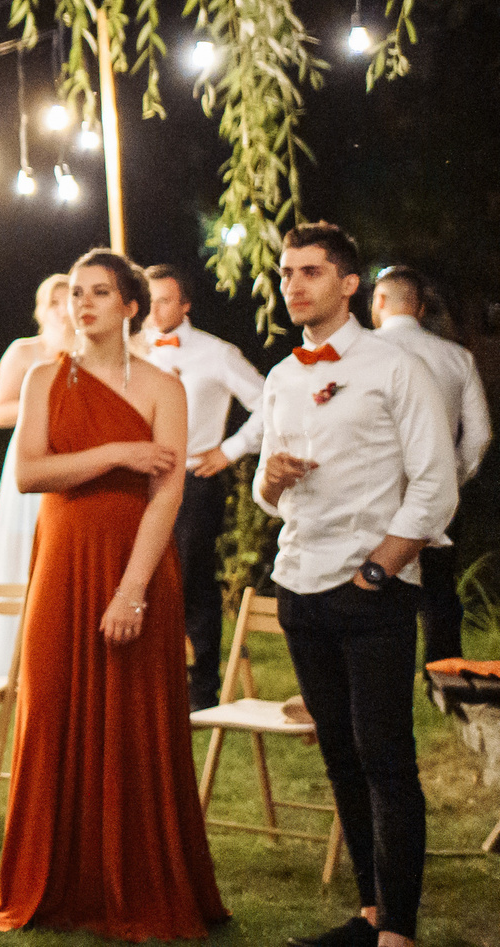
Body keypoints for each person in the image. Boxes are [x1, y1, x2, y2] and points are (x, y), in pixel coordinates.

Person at [0, 248, 225, 940]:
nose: (81, 304)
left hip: (137, 562)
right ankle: (55, 882)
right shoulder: (40, 378)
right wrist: (116, 453)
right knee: (53, 708)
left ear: (130, 306)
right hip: (62, 560)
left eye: (99, 293)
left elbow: (170, 490)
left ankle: (136, 881)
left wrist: (132, 590)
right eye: (75, 293)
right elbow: (30, 472)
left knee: (134, 718)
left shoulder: (162, 388)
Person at [258, 224, 458, 947]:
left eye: (309, 271)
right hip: (299, 584)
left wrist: (383, 564)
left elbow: (435, 480)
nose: (294, 285)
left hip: (370, 587)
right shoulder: (282, 376)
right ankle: (371, 909)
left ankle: (399, 932)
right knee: (339, 753)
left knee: (385, 756)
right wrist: (269, 480)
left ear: (348, 283)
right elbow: (263, 488)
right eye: (285, 274)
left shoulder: (395, 366)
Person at [140, 262, 269, 709]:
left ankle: (202, 687)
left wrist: (229, 451)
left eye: (165, 301)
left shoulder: (216, 353)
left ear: (186, 304)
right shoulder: (132, 347)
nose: (156, 310)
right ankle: (151, 680)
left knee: (190, 579)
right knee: (142, 575)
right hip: (137, 480)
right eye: (150, 300)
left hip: (193, 479)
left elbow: (270, 402)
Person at [370, 265, 489, 670]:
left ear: (379, 301)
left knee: (374, 585)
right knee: (439, 590)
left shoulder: (360, 353)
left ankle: (381, 670)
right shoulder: (458, 358)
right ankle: (444, 678)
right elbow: (479, 435)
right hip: (437, 495)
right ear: (419, 309)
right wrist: (450, 478)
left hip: (373, 493)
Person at [0, 273, 71, 680]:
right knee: (20, 549)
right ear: (43, 309)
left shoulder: (84, 353)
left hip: (72, 457)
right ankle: (10, 654)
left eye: (69, 300)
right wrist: (44, 406)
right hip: (30, 456)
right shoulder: (24, 352)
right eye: (55, 301)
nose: (63, 309)